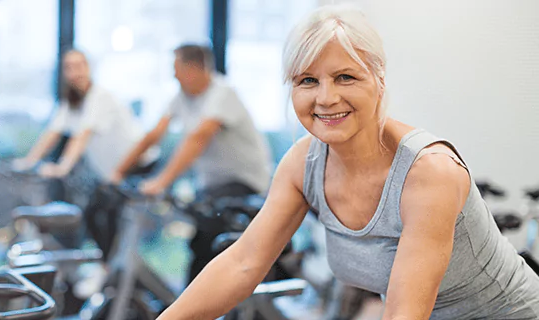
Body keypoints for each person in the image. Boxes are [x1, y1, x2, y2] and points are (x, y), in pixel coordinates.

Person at [156, 5, 539, 320]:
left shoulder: (428, 173)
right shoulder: (302, 164)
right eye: (307, 80)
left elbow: (404, 312)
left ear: (379, 79)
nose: (326, 98)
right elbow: (242, 263)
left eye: (345, 77)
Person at [110, 44, 273, 284]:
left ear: (195, 68)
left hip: (244, 182)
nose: (173, 75)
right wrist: (118, 172)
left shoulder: (222, 93)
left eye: (177, 68)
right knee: (198, 244)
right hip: (212, 185)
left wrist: (161, 182)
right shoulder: (181, 97)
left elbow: (198, 138)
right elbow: (154, 135)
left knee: (207, 241)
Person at [12, 49, 159, 274]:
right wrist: (29, 161)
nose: (74, 72)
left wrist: (63, 167)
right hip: (112, 173)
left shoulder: (99, 98)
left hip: (137, 168)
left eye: (79, 66)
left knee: (99, 213)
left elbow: (82, 135)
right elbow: (53, 131)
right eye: (69, 67)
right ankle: (108, 272)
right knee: (92, 214)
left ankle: (110, 273)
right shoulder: (72, 102)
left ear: (89, 68)